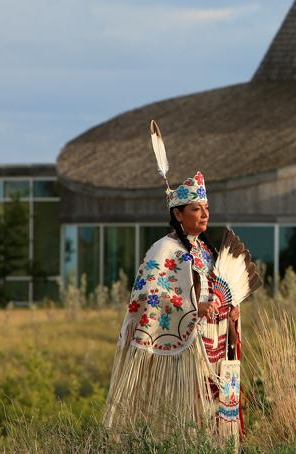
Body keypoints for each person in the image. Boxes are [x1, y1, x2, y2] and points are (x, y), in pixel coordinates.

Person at [102, 171, 239, 436]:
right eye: (196, 209)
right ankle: (183, 446)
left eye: (206, 208)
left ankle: (216, 449)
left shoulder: (206, 251)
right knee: (189, 407)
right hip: (187, 344)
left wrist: (230, 310)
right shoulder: (164, 249)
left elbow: (218, 290)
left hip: (214, 339)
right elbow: (149, 292)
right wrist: (192, 307)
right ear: (178, 214)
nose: (205, 214)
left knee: (213, 404)